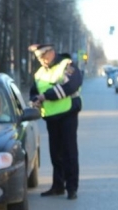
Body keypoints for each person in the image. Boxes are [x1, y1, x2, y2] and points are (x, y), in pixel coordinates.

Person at [28, 44, 83, 200]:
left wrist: (46, 96)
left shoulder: (67, 65)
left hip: (68, 114)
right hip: (51, 117)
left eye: (44, 56)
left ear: (52, 52)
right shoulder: (39, 73)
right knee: (55, 153)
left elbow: (71, 85)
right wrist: (35, 100)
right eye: (39, 58)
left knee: (69, 152)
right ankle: (58, 186)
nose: (42, 60)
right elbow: (34, 91)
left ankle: (72, 188)